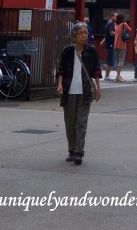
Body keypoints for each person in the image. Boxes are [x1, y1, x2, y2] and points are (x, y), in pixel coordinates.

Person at [56, 21, 101, 165]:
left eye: (86, 33)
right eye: (81, 33)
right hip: (69, 89)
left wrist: (98, 88)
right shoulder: (67, 51)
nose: (84, 35)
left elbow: (96, 71)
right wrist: (60, 85)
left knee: (81, 122)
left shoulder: (92, 50)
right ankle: (71, 149)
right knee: (70, 122)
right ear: (74, 36)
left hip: (85, 90)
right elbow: (61, 70)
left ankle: (79, 152)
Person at [112, 13, 132, 82]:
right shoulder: (124, 24)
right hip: (122, 44)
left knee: (117, 60)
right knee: (121, 61)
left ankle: (118, 75)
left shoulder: (116, 25)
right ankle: (118, 76)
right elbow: (130, 30)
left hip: (116, 44)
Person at [103, 11, 117, 80]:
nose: (117, 18)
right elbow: (111, 33)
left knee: (110, 59)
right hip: (110, 44)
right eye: (115, 16)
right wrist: (119, 32)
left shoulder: (112, 24)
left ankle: (107, 74)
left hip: (111, 44)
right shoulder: (110, 24)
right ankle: (107, 75)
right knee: (110, 60)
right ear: (112, 17)